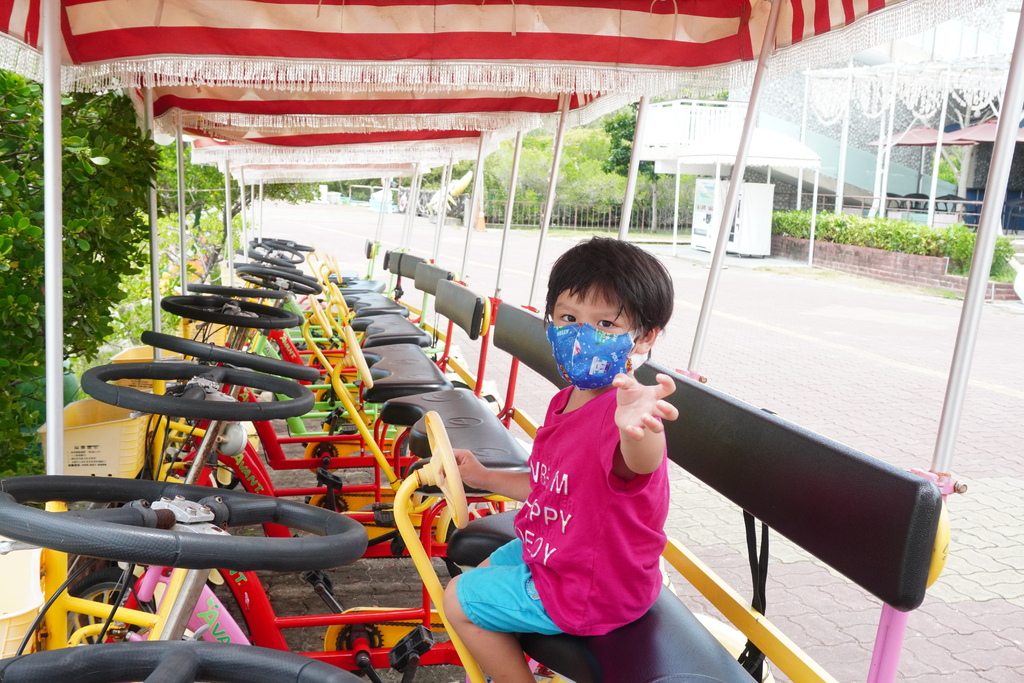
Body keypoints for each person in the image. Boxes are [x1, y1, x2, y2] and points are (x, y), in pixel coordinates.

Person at [442, 237, 678, 683]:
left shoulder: (626, 415)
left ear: (645, 336)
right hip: (563, 552)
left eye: (606, 324)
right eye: (568, 318)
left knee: (458, 599)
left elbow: (640, 463)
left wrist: (643, 429)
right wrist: (484, 476)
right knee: (489, 566)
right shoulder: (565, 400)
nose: (581, 334)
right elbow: (549, 485)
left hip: (595, 588)